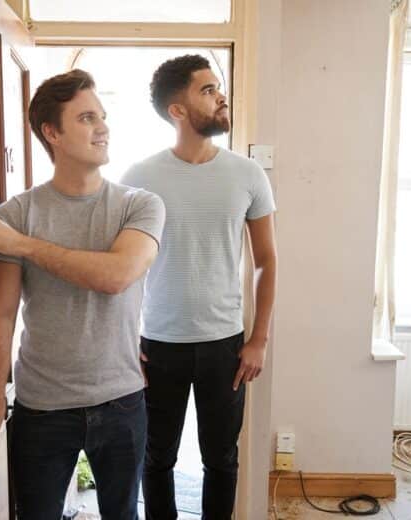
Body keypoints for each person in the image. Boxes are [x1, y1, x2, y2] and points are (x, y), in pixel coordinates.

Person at [0, 69, 165, 520]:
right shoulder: (15, 214)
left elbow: (118, 275)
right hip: (42, 407)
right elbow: (1, 317)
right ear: (52, 133)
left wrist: (24, 245)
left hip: (122, 400)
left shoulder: (140, 205)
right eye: (87, 118)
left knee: (123, 514)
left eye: (102, 116)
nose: (102, 127)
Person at [121, 54, 278, 520]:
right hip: (157, 344)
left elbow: (266, 261)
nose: (220, 96)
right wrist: (124, 340)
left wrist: (259, 339)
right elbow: (122, 270)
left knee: (221, 459)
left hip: (225, 346)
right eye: (207, 90)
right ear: (177, 110)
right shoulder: (138, 179)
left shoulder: (247, 174)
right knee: (156, 457)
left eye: (218, 87)